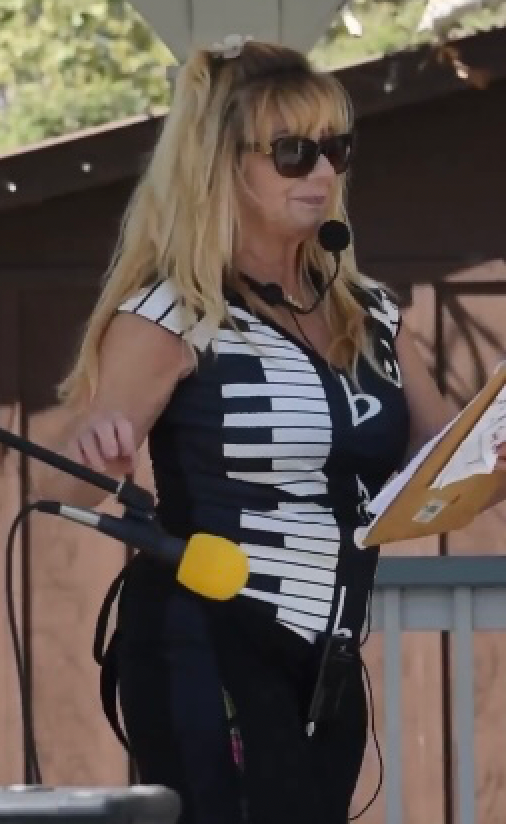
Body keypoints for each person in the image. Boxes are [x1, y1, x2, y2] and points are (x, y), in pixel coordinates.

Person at [38, 38, 506, 824]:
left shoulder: (371, 315)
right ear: (223, 166)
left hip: (326, 662)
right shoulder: (173, 312)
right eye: (293, 153)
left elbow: (447, 456)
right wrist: (100, 450)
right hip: (206, 646)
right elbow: (61, 469)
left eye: (335, 149)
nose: (324, 173)